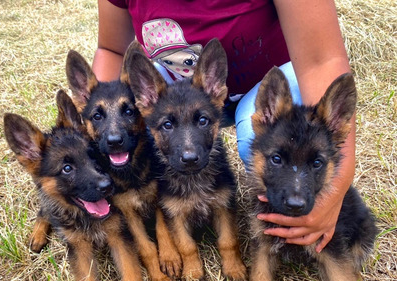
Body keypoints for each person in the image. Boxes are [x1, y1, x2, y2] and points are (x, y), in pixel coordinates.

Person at [90, 0, 356, 253]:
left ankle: (283, 215)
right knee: (131, 135)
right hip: (176, 93)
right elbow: (112, 49)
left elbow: (322, 61)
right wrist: (92, 152)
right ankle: (159, 210)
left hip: (268, 89)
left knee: (269, 146)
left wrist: (335, 190)